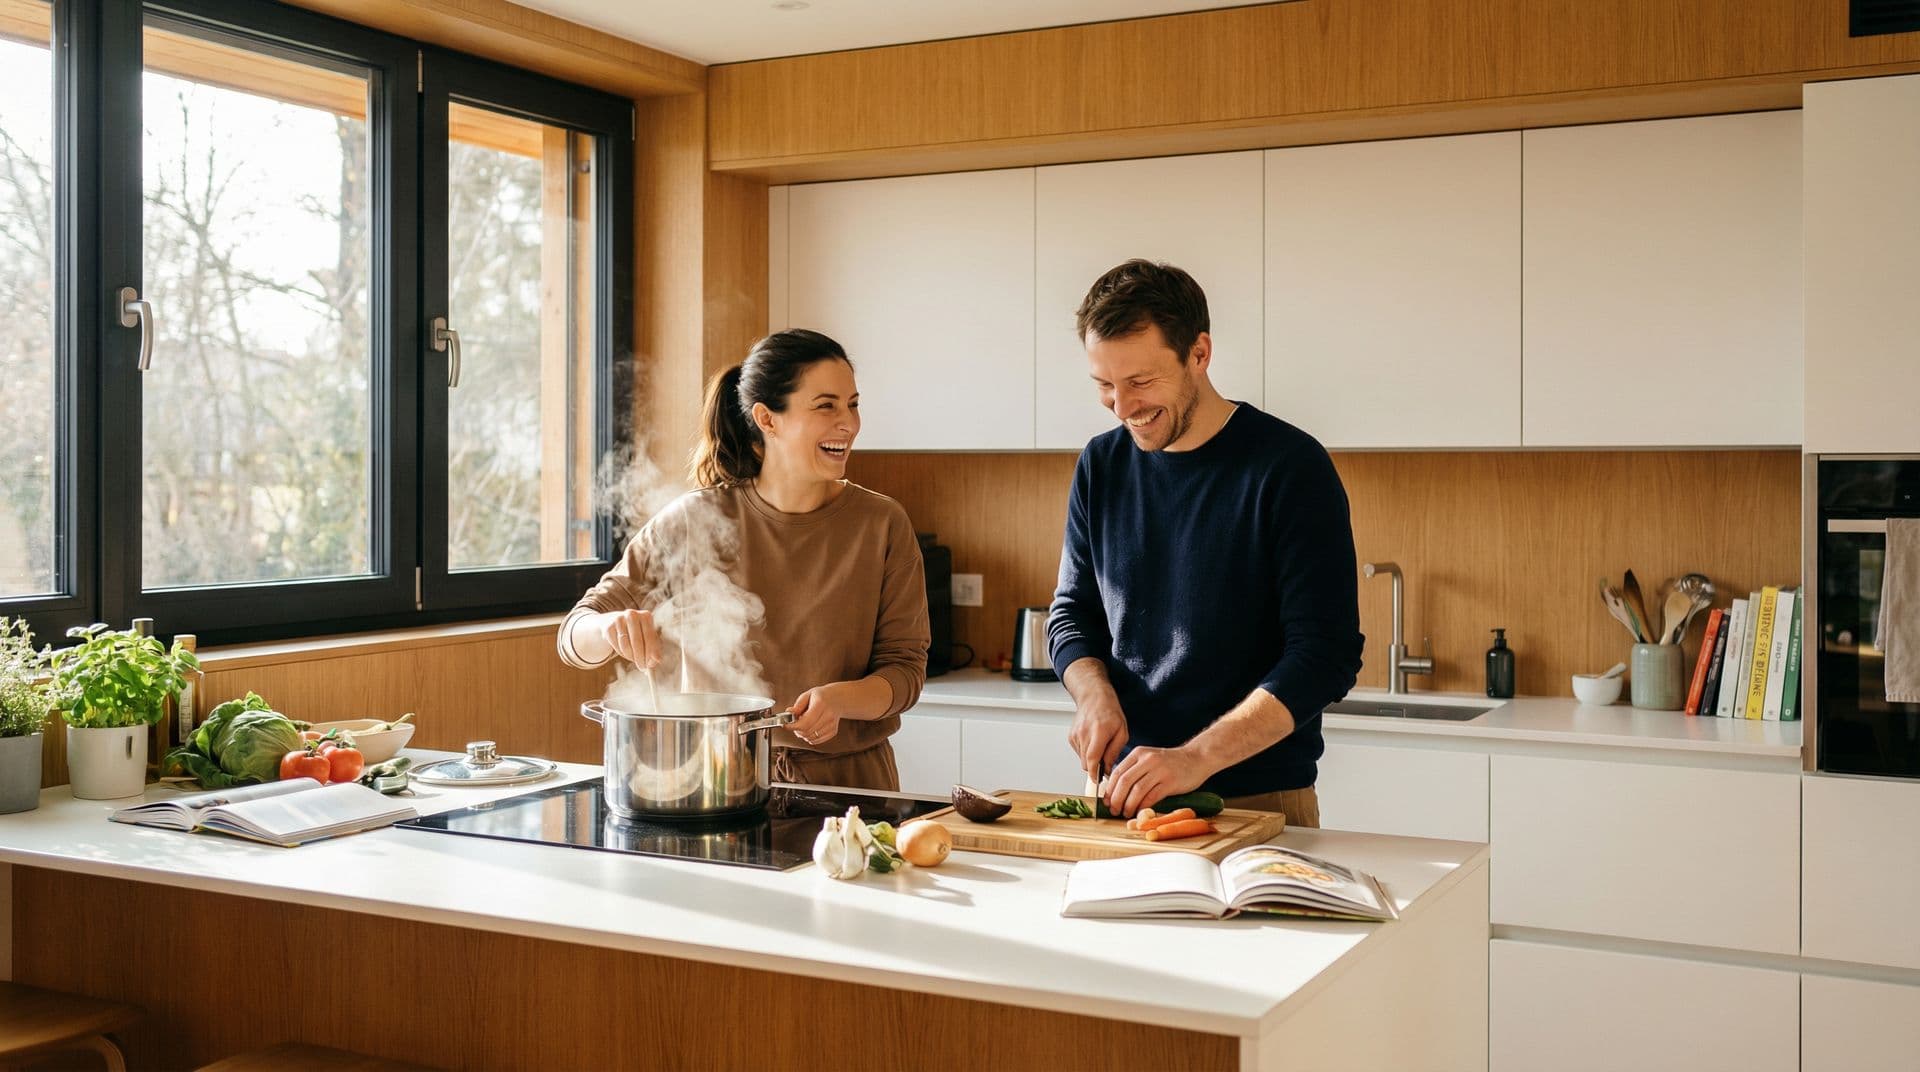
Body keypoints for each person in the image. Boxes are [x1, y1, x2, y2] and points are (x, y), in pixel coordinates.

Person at [1047, 259, 1364, 824]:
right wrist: (1093, 693)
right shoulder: (1102, 464)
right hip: (1130, 800)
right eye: (1104, 386)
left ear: (1199, 354)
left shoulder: (1289, 467)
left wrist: (1196, 758)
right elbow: (1072, 614)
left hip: (1259, 805)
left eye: (1140, 382)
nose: (1123, 408)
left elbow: (1325, 657)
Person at [557, 329, 929, 791]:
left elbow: (905, 670)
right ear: (767, 419)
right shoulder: (694, 521)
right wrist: (607, 630)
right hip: (714, 782)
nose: (848, 423)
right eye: (826, 406)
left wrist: (843, 700)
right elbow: (573, 635)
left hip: (851, 787)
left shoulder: (882, 523)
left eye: (852, 404)